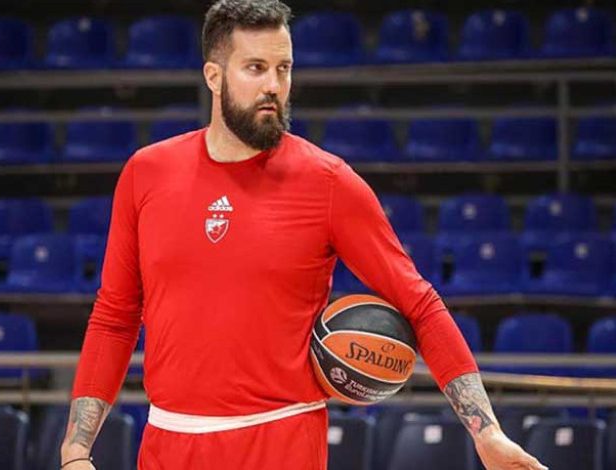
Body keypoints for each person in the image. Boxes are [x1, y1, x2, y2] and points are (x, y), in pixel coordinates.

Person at [60, 1, 548, 469]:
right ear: (214, 76)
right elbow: (114, 316)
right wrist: (77, 449)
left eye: (284, 69)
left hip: (283, 443)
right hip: (168, 443)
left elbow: (420, 304)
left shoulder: (329, 183)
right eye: (256, 68)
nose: (273, 86)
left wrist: (486, 432)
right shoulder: (146, 174)